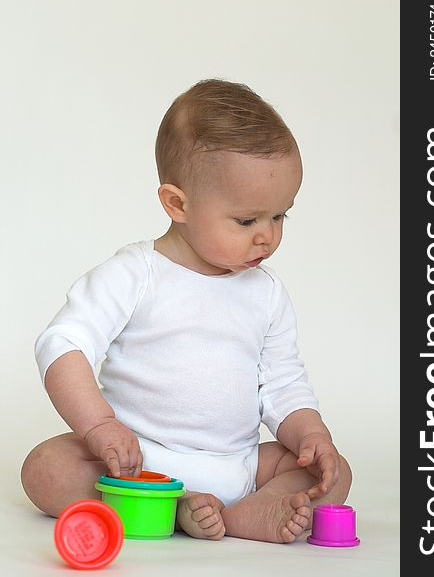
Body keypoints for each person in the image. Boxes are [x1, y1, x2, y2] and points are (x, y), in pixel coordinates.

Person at [21, 78, 352, 544]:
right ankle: (171, 506)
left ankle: (240, 513)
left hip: (238, 462)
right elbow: (62, 343)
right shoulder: (137, 273)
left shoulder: (267, 292)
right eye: (247, 220)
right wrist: (100, 426)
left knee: (332, 473)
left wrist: (310, 433)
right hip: (135, 461)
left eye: (280, 216)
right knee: (46, 468)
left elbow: (281, 383)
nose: (268, 236)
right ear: (178, 203)